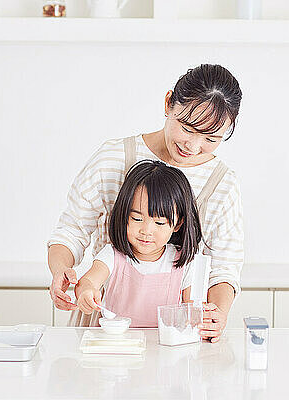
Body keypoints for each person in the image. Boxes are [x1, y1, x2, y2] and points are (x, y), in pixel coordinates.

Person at [48, 64, 244, 342]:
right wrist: (60, 272)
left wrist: (217, 314)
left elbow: (225, 268)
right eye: (188, 128)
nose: (192, 145)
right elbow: (71, 231)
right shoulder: (113, 158)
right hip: (104, 328)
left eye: (211, 138)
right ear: (168, 103)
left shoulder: (222, 184)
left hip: (176, 335)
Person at [75, 160, 203, 327]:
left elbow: (192, 308)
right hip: (117, 346)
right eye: (136, 219)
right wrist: (86, 291)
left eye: (160, 223)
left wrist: (202, 316)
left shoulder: (185, 263)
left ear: (177, 224)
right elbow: (88, 281)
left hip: (163, 347)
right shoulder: (112, 256)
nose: (146, 231)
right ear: (124, 215)